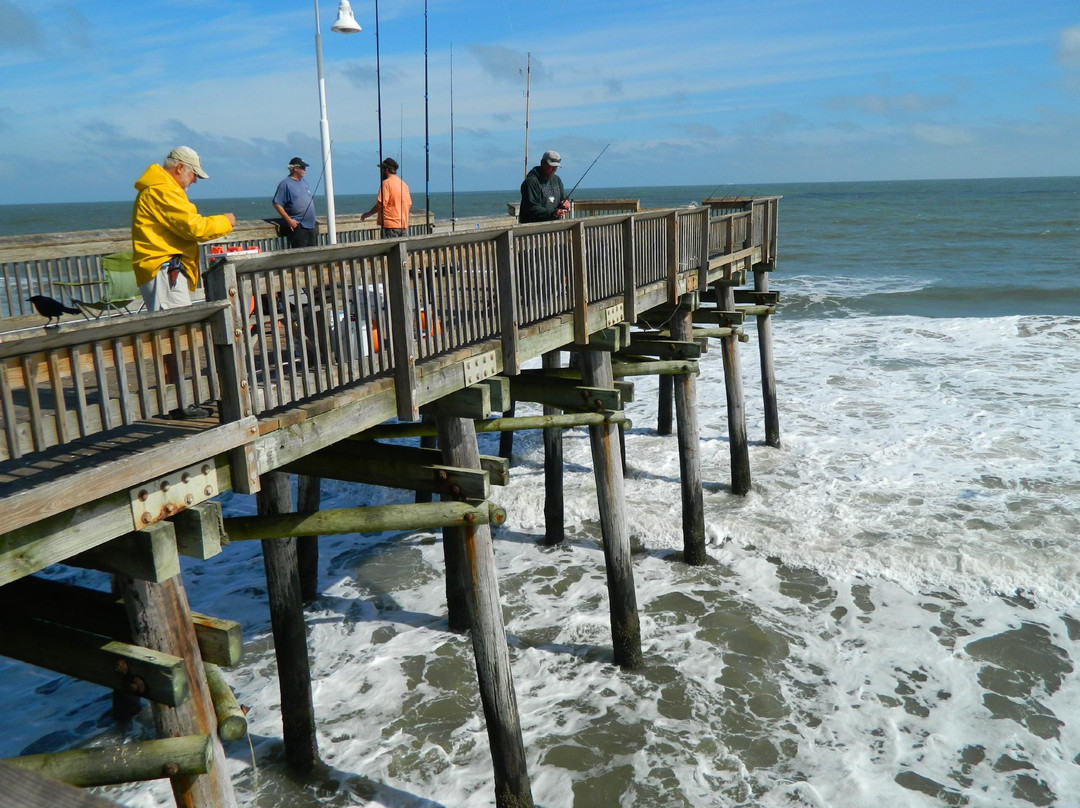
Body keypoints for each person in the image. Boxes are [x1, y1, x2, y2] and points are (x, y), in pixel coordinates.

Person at [131, 146, 236, 418]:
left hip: (169, 271)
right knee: (173, 337)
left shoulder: (162, 188)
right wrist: (225, 221)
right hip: (166, 271)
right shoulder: (162, 190)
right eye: (194, 175)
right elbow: (195, 228)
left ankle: (177, 399)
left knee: (177, 336)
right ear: (180, 168)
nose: (195, 181)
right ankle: (175, 403)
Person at [272, 157, 319, 248]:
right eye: (303, 168)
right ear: (295, 169)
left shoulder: (304, 182)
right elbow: (276, 203)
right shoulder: (285, 184)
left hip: (311, 225)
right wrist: (289, 220)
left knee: (313, 255)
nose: (305, 170)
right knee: (300, 255)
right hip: (298, 227)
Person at [360, 158, 412, 238]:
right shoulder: (404, 184)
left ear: (386, 170)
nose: (380, 172)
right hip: (403, 226)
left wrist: (367, 214)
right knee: (401, 249)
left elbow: (381, 204)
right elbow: (409, 204)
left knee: (389, 250)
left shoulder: (386, 184)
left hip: (390, 226)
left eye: (382, 169)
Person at [519, 149, 571, 223]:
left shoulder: (557, 180)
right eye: (552, 166)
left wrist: (566, 203)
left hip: (553, 225)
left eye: (556, 166)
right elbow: (531, 208)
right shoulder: (531, 182)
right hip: (533, 228)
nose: (554, 169)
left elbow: (563, 198)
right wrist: (553, 213)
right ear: (543, 163)